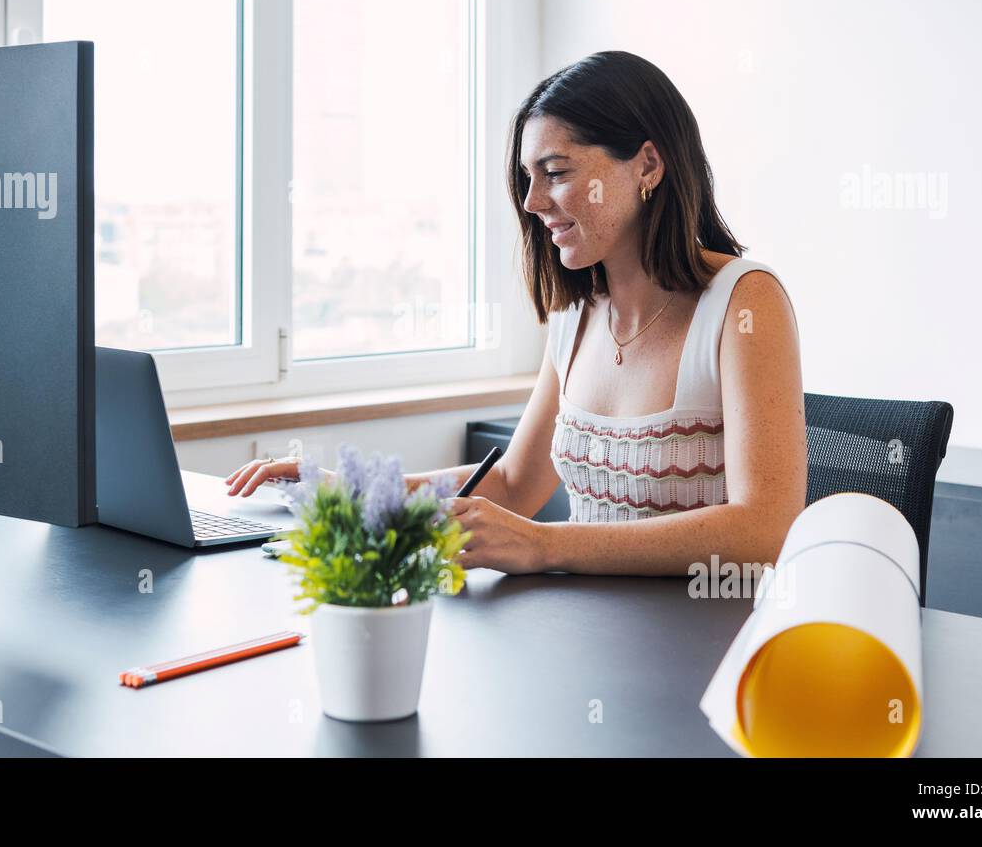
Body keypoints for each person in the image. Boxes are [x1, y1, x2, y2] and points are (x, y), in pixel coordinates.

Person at [226, 50, 807, 576]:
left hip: (704, 653)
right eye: (528, 179)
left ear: (648, 164)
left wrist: (546, 545)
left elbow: (765, 529)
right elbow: (509, 485)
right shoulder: (577, 316)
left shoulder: (743, 303)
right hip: (585, 637)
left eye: (556, 172)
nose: (531, 203)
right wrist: (343, 488)